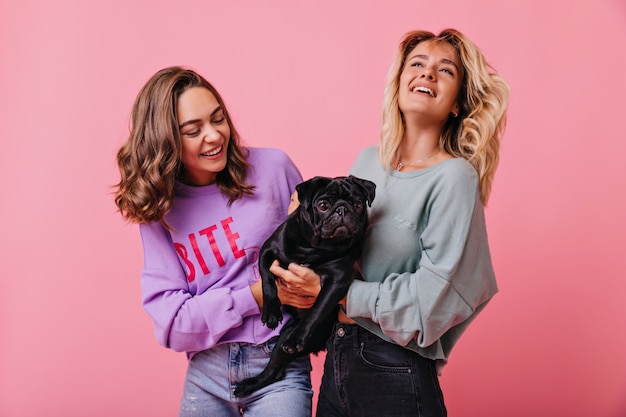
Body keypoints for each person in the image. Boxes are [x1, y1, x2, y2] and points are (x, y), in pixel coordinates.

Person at [273, 28, 510, 417]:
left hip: (395, 365)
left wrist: (337, 293)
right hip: (337, 355)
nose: (427, 74)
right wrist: (301, 227)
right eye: (417, 64)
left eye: (444, 71)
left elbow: (435, 297)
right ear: (399, 83)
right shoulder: (367, 163)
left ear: (456, 104)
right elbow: (337, 258)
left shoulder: (454, 178)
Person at [114, 66, 316, 417]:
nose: (214, 136)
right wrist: (257, 294)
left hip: (279, 363)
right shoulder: (159, 210)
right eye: (193, 130)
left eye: (218, 119)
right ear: (166, 141)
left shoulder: (273, 169)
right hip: (205, 374)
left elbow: (316, 262)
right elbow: (174, 326)